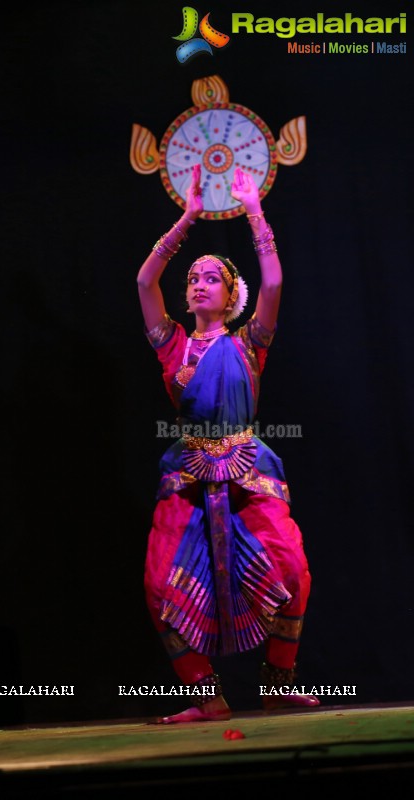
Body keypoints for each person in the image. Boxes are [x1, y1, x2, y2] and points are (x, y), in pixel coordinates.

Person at [136, 164, 319, 723]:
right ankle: (206, 696)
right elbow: (145, 282)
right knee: (158, 584)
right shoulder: (171, 344)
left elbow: (275, 283)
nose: (197, 283)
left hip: (246, 468)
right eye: (193, 277)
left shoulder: (249, 344)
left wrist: (253, 210)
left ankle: (276, 683)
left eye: (211, 277)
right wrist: (187, 217)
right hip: (188, 471)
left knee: (291, 572)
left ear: (230, 294)